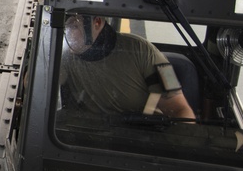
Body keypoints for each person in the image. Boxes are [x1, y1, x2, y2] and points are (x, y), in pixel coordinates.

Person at [59, 14, 196, 122]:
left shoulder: (144, 51)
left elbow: (180, 110)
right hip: (94, 138)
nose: (66, 35)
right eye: (64, 28)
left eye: (73, 27)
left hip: (144, 136)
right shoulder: (65, 57)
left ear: (97, 22)